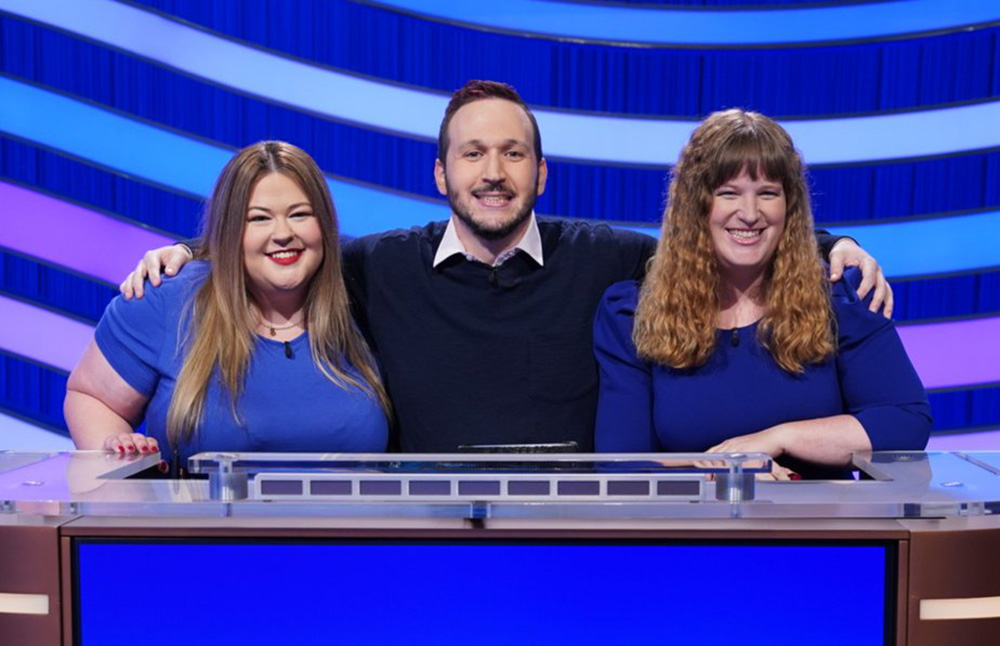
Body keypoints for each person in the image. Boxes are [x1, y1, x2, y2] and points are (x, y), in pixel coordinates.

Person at [118, 81, 890, 453]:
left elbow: (722, 234)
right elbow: (288, 243)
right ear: (441, 175)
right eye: (474, 154)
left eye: (513, 153)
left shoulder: (608, 261)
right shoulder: (380, 267)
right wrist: (192, 251)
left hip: (572, 541)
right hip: (419, 543)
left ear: (541, 173)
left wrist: (829, 246)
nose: (494, 171)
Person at [593, 110, 930, 478]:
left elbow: (904, 423)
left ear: (790, 207)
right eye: (729, 194)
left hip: (820, 529)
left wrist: (780, 438)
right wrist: (729, 471)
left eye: (768, 193)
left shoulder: (841, 297)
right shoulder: (631, 314)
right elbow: (623, 466)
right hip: (690, 529)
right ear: (695, 207)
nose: (750, 213)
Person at [65, 141, 390, 468]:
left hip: (348, 520)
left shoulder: (370, 295)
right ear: (230, 229)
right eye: (259, 218)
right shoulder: (167, 299)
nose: (283, 233)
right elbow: (91, 397)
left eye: (300, 214)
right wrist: (119, 461)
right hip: (200, 519)